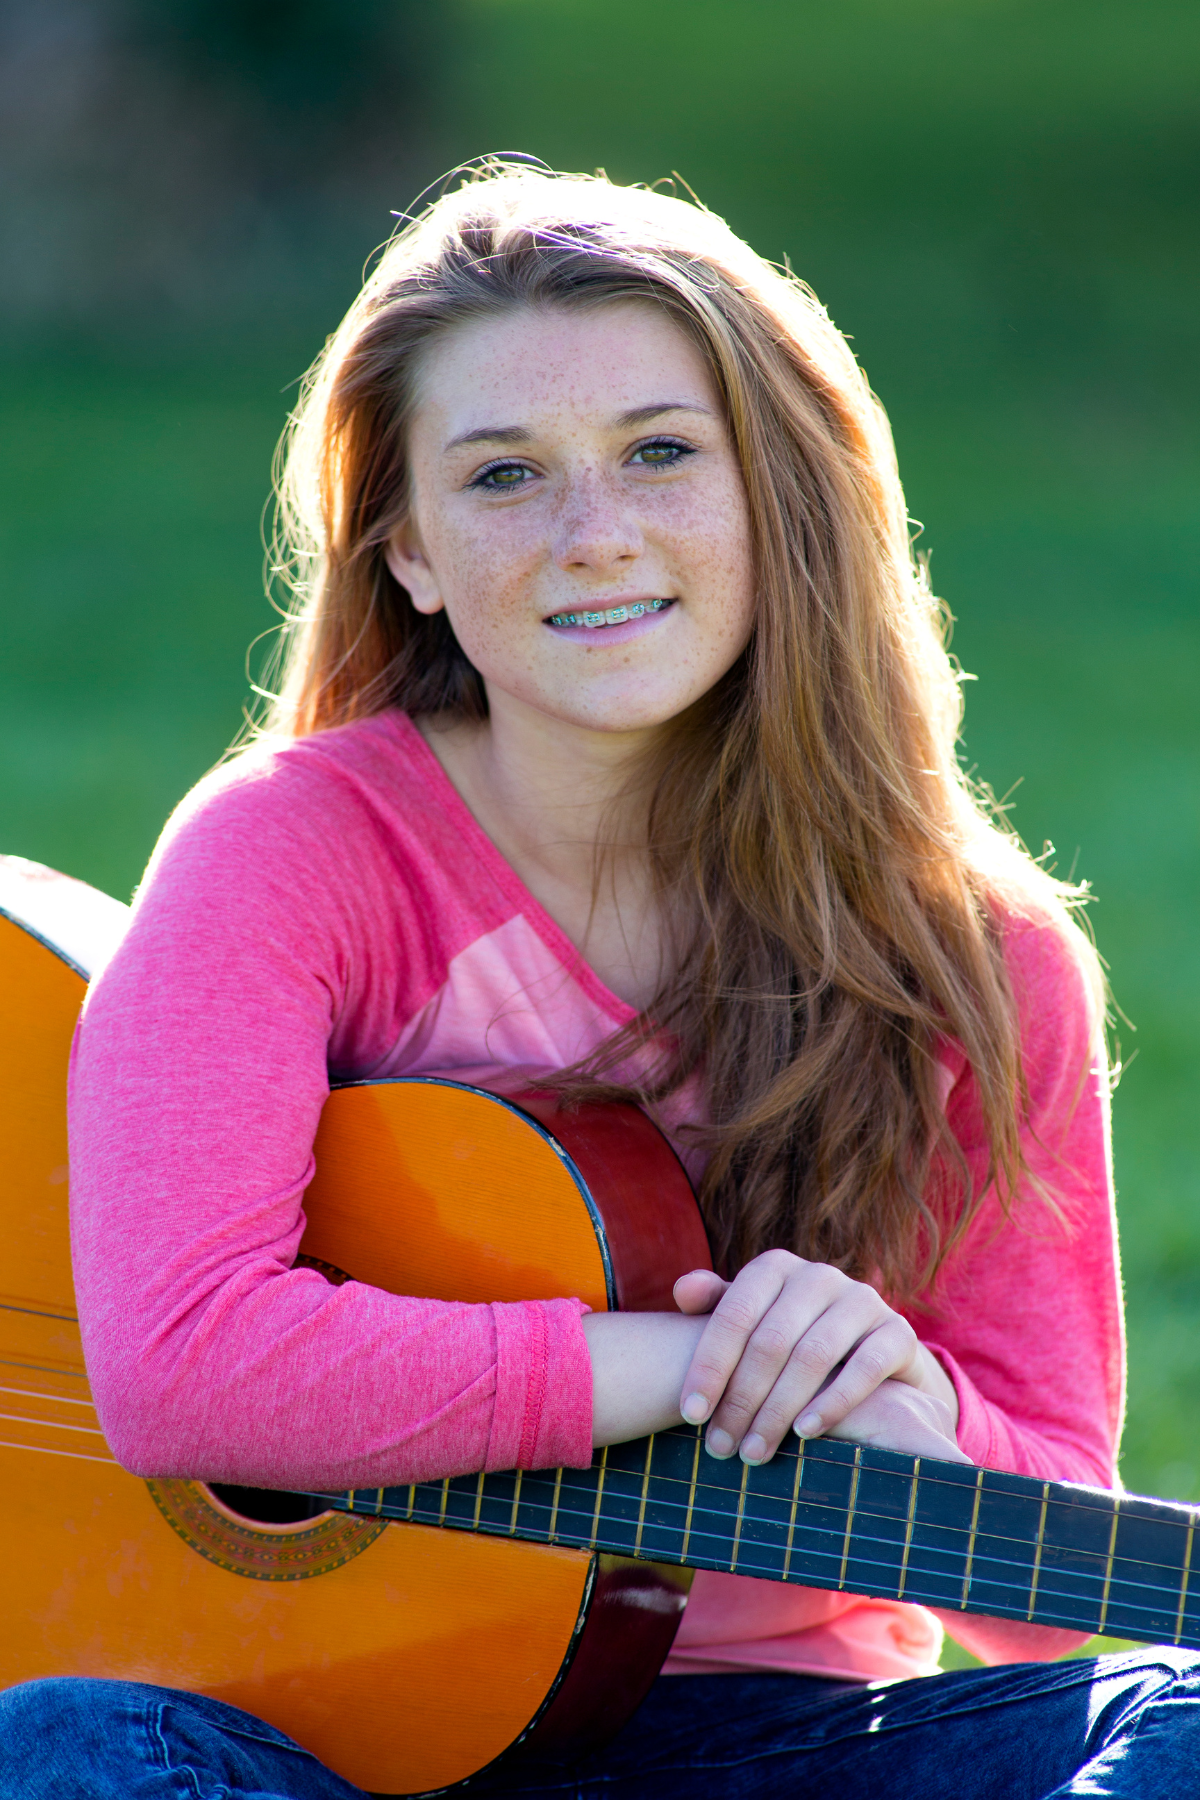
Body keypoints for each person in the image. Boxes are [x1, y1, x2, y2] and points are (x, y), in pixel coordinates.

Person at [4, 163, 1198, 1798]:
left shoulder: (973, 964)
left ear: (773, 496)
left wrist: (910, 1416)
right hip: (320, 1739)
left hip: (796, 1746)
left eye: (659, 452)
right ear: (410, 551)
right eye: (504, 476)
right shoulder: (296, 854)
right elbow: (184, 1363)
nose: (594, 534)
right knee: (68, 1747)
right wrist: (675, 1364)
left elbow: (1051, 1613)